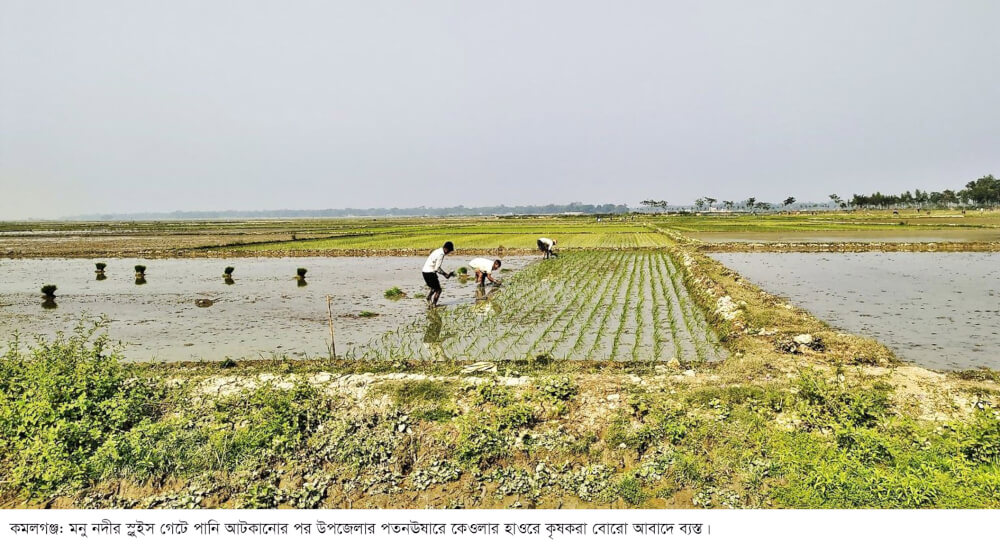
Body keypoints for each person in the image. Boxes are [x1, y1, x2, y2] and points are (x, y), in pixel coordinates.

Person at [422, 241, 455, 307]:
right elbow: (437, 268)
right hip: (430, 272)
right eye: (449, 251)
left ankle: (429, 298)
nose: (448, 253)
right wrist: (445, 274)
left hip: (424, 271)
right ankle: (434, 304)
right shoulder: (441, 254)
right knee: (439, 290)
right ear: (446, 249)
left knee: (434, 287)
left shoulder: (438, 250)